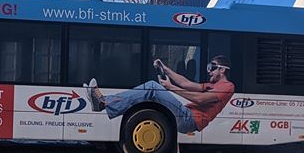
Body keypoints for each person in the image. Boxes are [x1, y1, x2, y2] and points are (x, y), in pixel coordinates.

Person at [86, 55, 235, 133]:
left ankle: (104, 103)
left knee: (152, 87)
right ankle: (104, 103)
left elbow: (201, 99)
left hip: (190, 120)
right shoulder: (211, 85)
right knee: (149, 90)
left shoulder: (228, 86)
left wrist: (170, 88)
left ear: (222, 70)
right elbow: (185, 83)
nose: (208, 70)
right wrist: (165, 67)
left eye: (212, 67)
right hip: (186, 115)